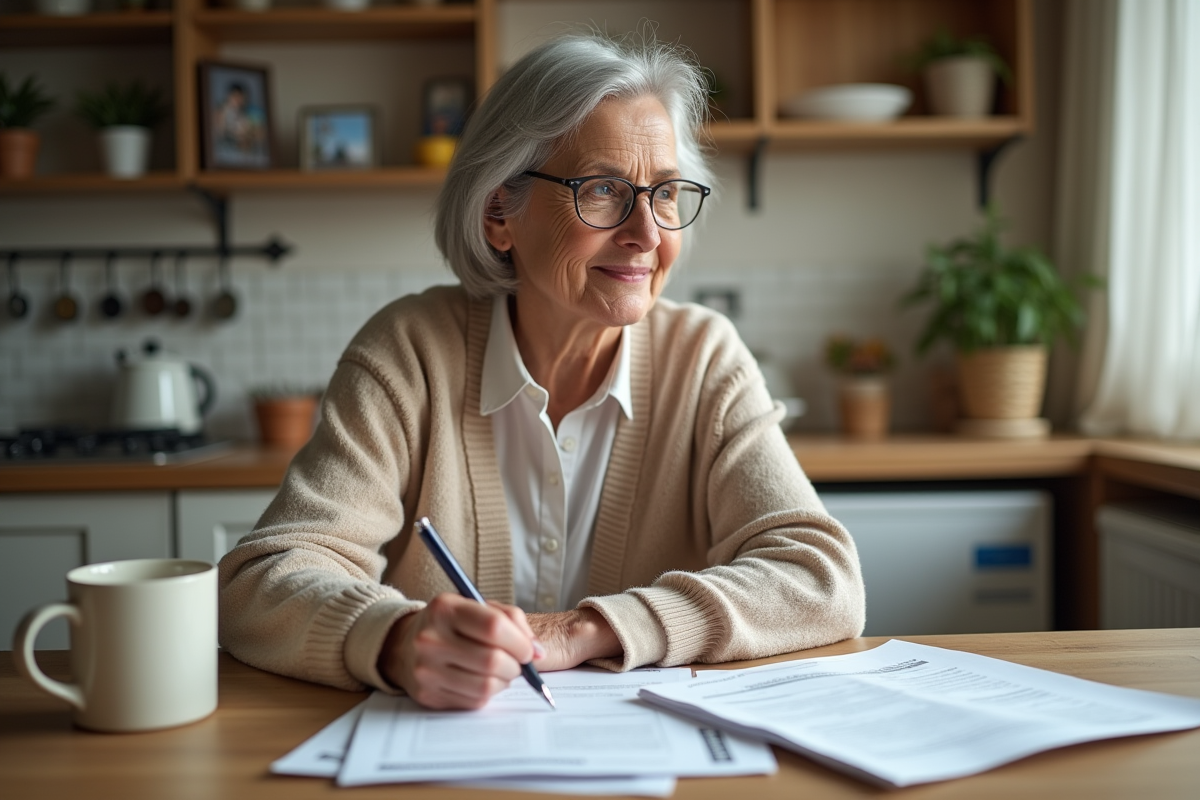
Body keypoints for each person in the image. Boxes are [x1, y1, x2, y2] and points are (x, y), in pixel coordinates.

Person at [218, 32, 865, 710]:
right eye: (604, 190)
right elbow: (258, 584)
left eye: (666, 192)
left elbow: (822, 580)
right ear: (501, 213)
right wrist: (395, 639)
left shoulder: (703, 358)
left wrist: (587, 630)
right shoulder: (408, 353)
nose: (646, 231)